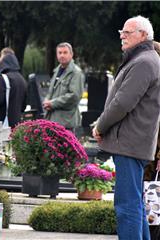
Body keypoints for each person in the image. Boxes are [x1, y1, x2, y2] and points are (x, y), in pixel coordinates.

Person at [92, 16, 160, 240]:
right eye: (122, 31)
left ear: (143, 35)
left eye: (127, 32)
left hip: (130, 143)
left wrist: (101, 125)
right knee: (135, 204)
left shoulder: (143, 62)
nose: (121, 35)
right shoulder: (145, 59)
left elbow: (123, 102)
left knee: (127, 207)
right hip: (133, 142)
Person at [0, 47, 27, 132]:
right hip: (16, 123)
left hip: (1, 122)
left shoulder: (3, 78)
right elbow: (23, 105)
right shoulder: (21, 79)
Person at [43, 42, 84, 131]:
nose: (62, 55)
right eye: (60, 53)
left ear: (71, 54)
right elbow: (51, 92)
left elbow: (74, 96)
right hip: (53, 120)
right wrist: (46, 100)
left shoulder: (76, 72)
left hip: (66, 122)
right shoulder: (57, 71)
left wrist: (52, 103)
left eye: (65, 52)